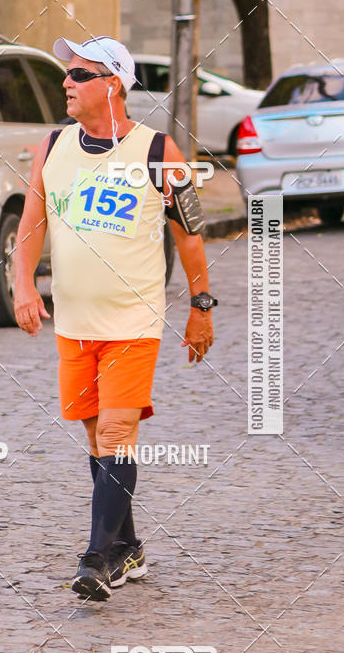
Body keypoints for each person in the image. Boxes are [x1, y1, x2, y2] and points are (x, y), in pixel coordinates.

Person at [14, 35, 216, 601]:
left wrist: (201, 307)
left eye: (78, 74)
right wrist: (24, 285)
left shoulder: (159, 152)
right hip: (74, 326)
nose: (66, 83)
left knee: (117, 433)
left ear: (113, 84)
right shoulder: (52, 147)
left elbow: (191, 236)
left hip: (133, 323)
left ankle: (96, 559)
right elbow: (32, 225)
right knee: (98, 442)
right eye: (67, 74)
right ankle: (128, 547)